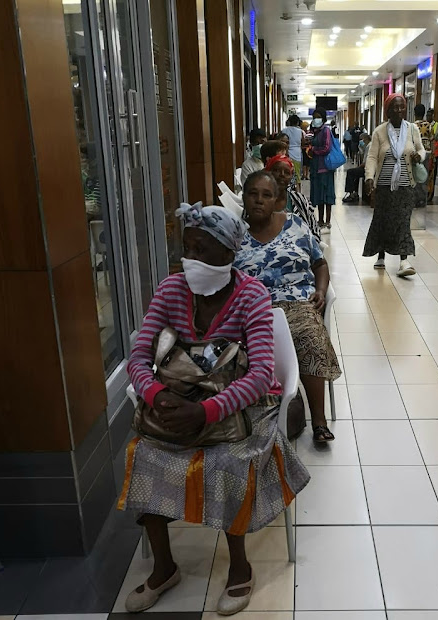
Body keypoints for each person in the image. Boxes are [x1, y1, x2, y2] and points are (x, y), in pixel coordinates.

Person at [120, 202, 310, 615]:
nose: (192, 259)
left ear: (229, 254)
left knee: (226, 463)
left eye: (203, 250)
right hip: (180, 398)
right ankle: (164, 567)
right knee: (144, 454)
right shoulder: (172, 290)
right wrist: (155, 395)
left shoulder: (251, 296)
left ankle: (240, 568)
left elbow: (260, 375)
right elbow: (138, 356)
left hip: (243, 404)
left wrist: (205, 412)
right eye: (187, 248)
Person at [235, 171, 341, 444]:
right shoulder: (233, 235)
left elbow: (319, 263)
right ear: (243, 197)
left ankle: (318, 420)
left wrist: (320, 290)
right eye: (253, 194)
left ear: (277, 200)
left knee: (310, 336)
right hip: (253, 309)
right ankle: (251, 414)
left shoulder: (294, 224)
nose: (259, 200)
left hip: (297, 302)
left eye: (266, 195)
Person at [363, 94, 427, 277]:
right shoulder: (380, 132)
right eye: (395, 108)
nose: (399, 111)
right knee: (383, 220)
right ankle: (381, 255)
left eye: (402, 107)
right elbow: (373, 157)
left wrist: (419, 156)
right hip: (384, 186)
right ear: (388, 111)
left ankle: (403, 261)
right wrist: (369, 177)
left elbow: (421, 149)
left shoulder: (412, 129)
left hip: (406, 186)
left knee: (403, 221)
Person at [265, 153, 321, 241]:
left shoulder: (299, 199)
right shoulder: (259, 200)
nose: (282, 175)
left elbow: (314, 230)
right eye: (277, 170)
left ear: (291, 177)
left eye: (287, 172)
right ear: (268, 172)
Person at [309, 108, 336, 231]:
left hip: (324, 168)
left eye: (318, 116)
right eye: (314, 117)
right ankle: (320, 220)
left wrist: (314, 150)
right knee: (319, 196)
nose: (316, 119)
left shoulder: (326, 130)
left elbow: (327, 148)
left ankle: (328, 221)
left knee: (327, 195)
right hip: (316, 167)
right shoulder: (316, 131)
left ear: (323, 118)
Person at [342, 133, 371, 203]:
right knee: (356, 173)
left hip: (367, 169)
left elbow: (365, 162)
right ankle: (355, 193)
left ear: (365, 139)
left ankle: (351, 194)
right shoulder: (368, 146)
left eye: (361, 140)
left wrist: (359, 167)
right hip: (367, 168)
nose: (360, 142)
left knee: (350, 172)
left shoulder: (369, 147)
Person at [282, 115, 305, 184]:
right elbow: (303, 143)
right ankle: (298, 191)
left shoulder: (284, 130)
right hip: (297, 154)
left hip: (286, 154)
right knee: (297, 175)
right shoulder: (300, 131)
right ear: (298, 122)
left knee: (287, 173)